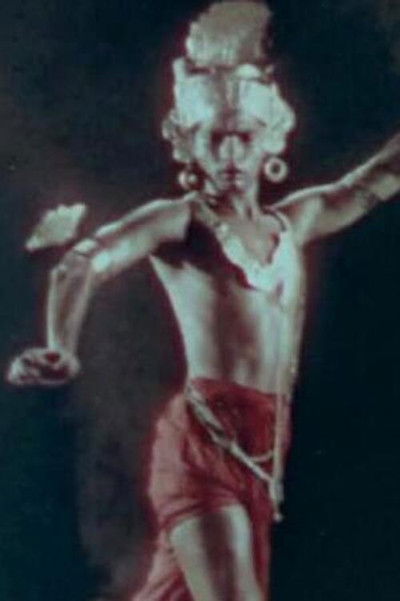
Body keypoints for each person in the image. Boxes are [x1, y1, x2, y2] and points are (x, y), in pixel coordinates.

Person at [6, 2, 400, 600]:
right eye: (216, 139)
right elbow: (85, 262)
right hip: (202, 443)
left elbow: (374, 180)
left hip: (264, 447)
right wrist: (61, 344)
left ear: (270, 141)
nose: (232, 155)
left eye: (245, 137)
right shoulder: (182, 222)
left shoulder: (296, 221)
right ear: (190, 146)